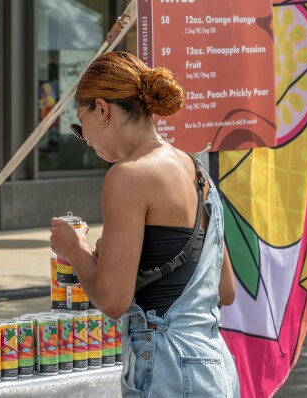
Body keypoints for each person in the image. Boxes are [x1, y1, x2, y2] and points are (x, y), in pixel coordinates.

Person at [49, 51, 239, 397]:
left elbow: (112, 300)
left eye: (80, 125)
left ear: (102, 110)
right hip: (213, 363)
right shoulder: (196, 171)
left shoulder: (128, 176)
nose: (85, 138)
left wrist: (75, 250)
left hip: (168, 365)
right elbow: (225, 290)